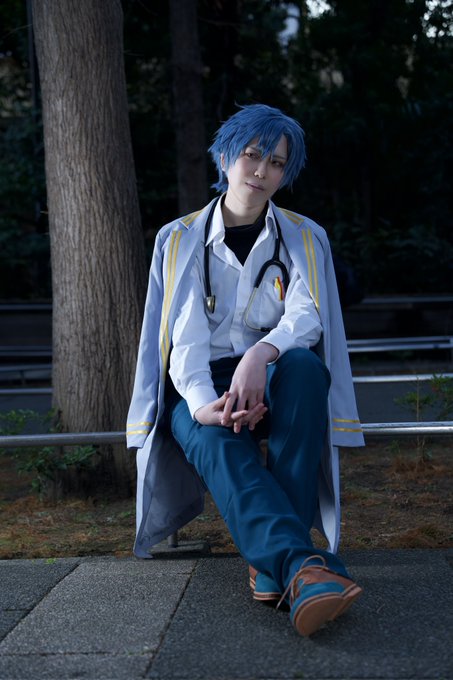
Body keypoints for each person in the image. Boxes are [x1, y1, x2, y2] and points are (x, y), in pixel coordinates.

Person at [127, 104, 365, 637]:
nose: (261, 171)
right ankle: (299, 567)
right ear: (224, 157)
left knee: (304, 370)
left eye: (276, 163)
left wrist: (261, 355)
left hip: (273, 374)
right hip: (199, 384)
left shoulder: (305, 236)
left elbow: (308, 314)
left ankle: (276, 566)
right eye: (252, 155)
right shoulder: (179, 238)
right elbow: (182, 337)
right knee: (218, 443)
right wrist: (201, 404)